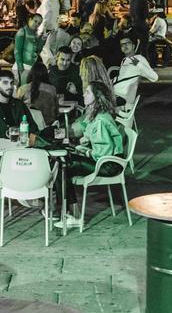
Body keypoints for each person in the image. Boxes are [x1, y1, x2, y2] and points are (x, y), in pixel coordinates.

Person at [54, 79, 126, 231]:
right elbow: (89, 134)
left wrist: (84, 150)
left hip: (109, 165)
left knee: (63, 167)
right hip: (103, 159)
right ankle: (68, 211)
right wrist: (82, 144)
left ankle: (67, 213)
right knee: (62, 160)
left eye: (87, 92)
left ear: (96, 96)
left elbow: (103, 152)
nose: (83, 94)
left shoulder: (100, 120)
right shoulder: (95, 113)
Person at [113, 35, 158, 106]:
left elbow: (155, 78)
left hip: (122, 96)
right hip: (114, 93)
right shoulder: (124, 60)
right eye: (122, 44)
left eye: (127, 43)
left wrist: (139, 64)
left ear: (133, 46)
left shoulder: (140, 59)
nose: (125, 46)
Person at [13, 14, 45, 83]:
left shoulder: (35, 33)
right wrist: (20, 68)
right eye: (35, 21)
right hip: (22, 66)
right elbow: (17, 51)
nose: (37, 24)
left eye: (39, 23)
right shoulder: (22, 32)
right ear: (30, 19)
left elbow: (38, 50)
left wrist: (42, 39)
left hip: (31, 66)